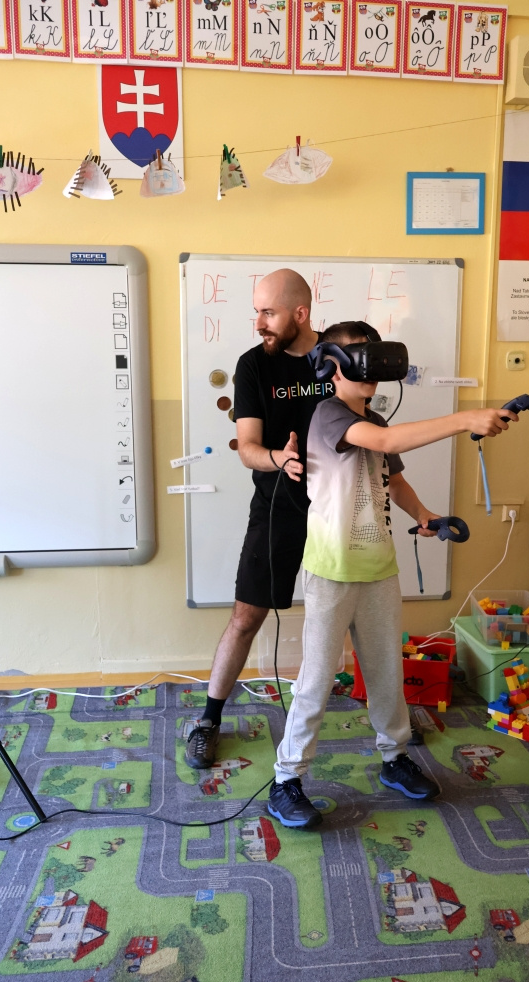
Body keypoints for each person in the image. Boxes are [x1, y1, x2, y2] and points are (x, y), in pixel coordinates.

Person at [267, 322, 518, 828]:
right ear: (331, 366)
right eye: (361, 360)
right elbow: (382, 440)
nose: (373, 372)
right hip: (332, 571)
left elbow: (392, 477)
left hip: (379, 568)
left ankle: (395, 758)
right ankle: (286, 780)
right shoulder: (328, 414)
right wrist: (465, 417)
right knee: (316, 680)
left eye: (376, 360)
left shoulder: (375, 417)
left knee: (386, 674)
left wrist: (423, 515)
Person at [185, 269, 332, 770]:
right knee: (246, 617)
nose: (260, 323)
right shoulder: (253, 365)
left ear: (300, 314)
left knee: (356, 617)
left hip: (339, 507)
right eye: (257, 312)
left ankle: (391, 731)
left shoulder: (337, 355)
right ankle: (208, 720)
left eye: (269, 313)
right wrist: (280, 459)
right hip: (277, 507)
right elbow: (247, 447)